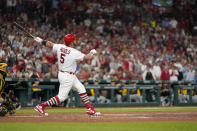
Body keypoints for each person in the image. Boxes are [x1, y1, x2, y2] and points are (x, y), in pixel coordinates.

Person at [33, 34, 101, 116]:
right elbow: (87, 57)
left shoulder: (60, 47)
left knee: (81, 88)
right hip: (66, 76)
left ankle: (89, 109)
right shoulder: (74, 52)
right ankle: (41, 106)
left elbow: (49, 44)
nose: (75, 41)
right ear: (71, 42)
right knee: (61, 97)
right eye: (74, 40)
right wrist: (92, 52)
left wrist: (40, 40)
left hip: (67, 74)